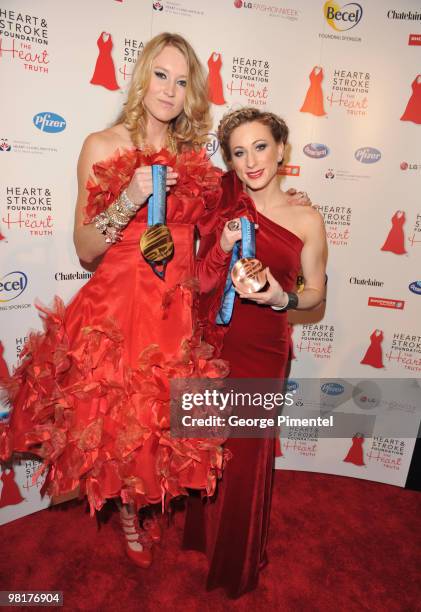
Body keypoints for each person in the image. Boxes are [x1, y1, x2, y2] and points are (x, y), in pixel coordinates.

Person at [0, 32, 236, 569]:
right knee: (120, 419)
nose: (170, 90)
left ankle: (146, 501)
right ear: (141, 75)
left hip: (173, 309)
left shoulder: (193, 159)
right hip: (120, 307)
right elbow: (85, 250)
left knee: (160, 420)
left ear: (192, 93)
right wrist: (130, 196)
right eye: (161, 75)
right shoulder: (101, 146)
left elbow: (210, 230)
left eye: (182, 82)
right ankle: (129, 510)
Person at [183, 107, 328, 598]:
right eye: (239, 152)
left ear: (282, 149)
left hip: (264, 346)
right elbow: (197, 277)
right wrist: (222, 245)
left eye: (261, 147)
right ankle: (203, 537)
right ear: (229, 161)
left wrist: (281, 298)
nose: (251, 161)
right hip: (212, 342)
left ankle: (236, 561)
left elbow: (315, 295)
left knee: (246, 457)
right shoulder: (221, 200)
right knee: (207, 446)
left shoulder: (308, 217)